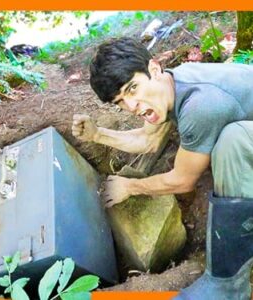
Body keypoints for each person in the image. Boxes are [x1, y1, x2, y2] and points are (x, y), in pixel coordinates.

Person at [71, 37, 253, 300]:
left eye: (132, 89)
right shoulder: (170, 85)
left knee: (231, 143)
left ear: (153, 69)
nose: (131, 106)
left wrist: (130, 187)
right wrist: (97, 134)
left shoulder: (199, 106)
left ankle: (227, 285)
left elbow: (182, 180)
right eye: (120, 101)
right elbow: (148, 139)